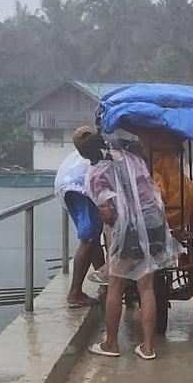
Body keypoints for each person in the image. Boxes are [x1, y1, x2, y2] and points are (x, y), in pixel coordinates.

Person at [77, 127, 178, 360]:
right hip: (154, 224)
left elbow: (107, 213)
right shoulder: (132, 158)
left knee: (116, 285)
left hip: (129, 229)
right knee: (147, 286)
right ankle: (148, 347)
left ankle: (111, 344)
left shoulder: (95, 173)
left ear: (83, 154)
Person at [54, 129, 107, 307]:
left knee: (93, 235)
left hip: (69, 188)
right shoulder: (92, 154)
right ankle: (75, 292)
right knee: (89, 237)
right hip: (80, 189)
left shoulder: (77, 155)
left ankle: (104, 284)